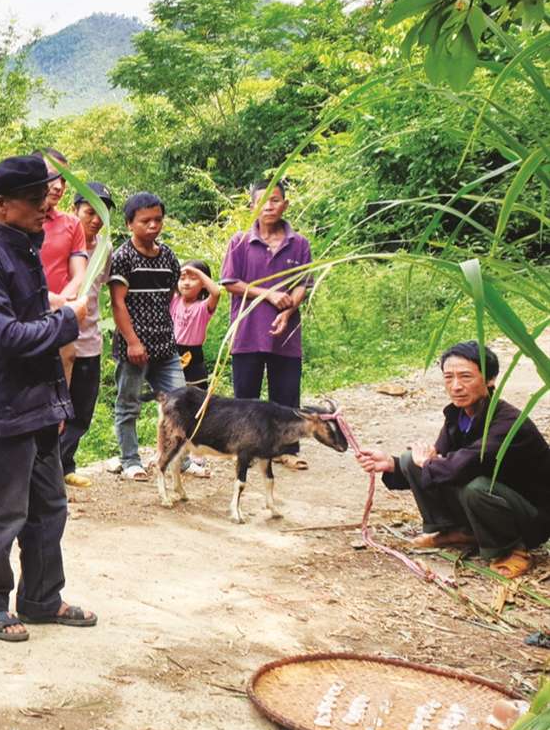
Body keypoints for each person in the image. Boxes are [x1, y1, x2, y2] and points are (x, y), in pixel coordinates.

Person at [0, 155, 95, 641]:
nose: (46, 208)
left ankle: (41, 598)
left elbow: (35, 332)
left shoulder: (27, 251)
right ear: (2, 206)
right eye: (36, 201)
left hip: (37, 408)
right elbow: (10, 336)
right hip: (2, 410)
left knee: (49, 508)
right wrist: (70, 318)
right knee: (1, 513)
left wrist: (58, 403)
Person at [356, 342, 549, 579]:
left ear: (490, 379)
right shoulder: (458, 415)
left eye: (466, 377)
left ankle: (512, 549)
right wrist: (393, 464)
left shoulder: (508, 423)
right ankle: (458, 530)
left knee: (475, 487)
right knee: (410, 460)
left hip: (529, 517)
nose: (456, 386)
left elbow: (459, 466)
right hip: (490, 502)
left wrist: (428, 463)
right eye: (449, 377)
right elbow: (440, 460)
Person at [221, 182, 314, 468]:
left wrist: (288, 311)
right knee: (245, 397)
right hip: (247, 332)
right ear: (252, 207)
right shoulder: (239, 242)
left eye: (275, 201)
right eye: (262, 202)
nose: (269, 207)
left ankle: (286, 450)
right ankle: (245, 450)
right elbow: (230, 283)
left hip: (286, 334)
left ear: (285, 205)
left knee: (286, 394)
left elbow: (303, 285)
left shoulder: (299, 244)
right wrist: (270, 294)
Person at [108, 191, 185, 482]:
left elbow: (168, 297)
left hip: (166, 347)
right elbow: (118, 303)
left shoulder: (167, 257)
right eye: (145, 221)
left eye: (157, 220)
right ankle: (130, 460)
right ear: (130, 224)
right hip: (134, 349)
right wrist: (133, 341)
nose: (152, 226)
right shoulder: (123, 258)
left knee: (179, 402)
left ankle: (176, 458)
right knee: (129, 404)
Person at [61, 182, 114, 489]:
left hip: (90, 341)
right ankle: (48, 471)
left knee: (82, 411)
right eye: (90, 211)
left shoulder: (104, 249)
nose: (95, 219)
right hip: (58, 339)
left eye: (102, 214)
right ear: (75, 210)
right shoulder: (63, 243)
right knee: (55, 410)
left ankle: (65, 464)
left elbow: (101, 290)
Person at [36, 150, 89, 386]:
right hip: (21, 319)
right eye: (52, 177)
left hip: (59, 318)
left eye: (64, 180)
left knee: (63, 367)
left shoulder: (71, 224)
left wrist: (60, 304)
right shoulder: (6, 221)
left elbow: (80, 274)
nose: (59, 186)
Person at [172, 259, 223, 392]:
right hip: (172, 352)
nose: (186, 283)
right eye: (182, 278)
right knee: (172, 393)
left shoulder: (203, 307)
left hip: (194, 355)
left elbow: (216, 293)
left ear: (203, 284)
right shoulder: (174, 300)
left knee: (196, 395)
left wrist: (197, 272)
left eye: (193, 278)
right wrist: (179, 271)